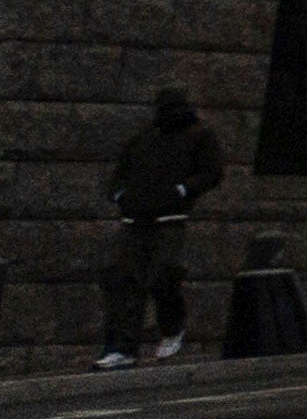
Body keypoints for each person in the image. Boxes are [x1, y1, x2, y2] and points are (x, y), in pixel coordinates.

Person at [95, 85, 224, 363]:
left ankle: (171, 327)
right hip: (136, 218)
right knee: (125, 279)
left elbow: (212, 172)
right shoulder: (145, 138)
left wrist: (182, 190)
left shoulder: (198, 136)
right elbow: (121, 171)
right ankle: (124, 347)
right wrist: (122, 195)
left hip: (169, 218)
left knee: (163, 274)